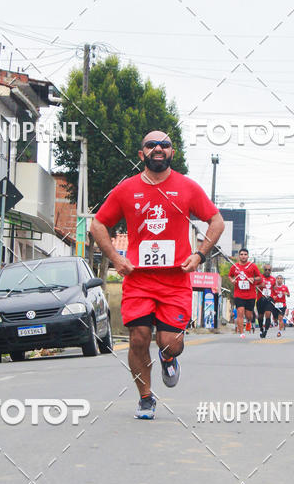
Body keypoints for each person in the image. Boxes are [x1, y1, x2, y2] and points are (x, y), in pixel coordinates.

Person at [90, 131, 225, 420]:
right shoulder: (126, 189)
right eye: (151, 145)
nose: (158, 149)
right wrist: (116, 258)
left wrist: (199, 255)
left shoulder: (187, 187)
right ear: (142, 154)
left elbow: (216, 221)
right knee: (138, 339)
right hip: (139, 280)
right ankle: (145, 397)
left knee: (171, 343)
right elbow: (98, 224)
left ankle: (167, 356)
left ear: (172, 152)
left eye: (165, 145)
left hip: (175, 281)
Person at [228, 248, 261, 339]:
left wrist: (253, 279)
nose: (243, 256)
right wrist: (232, 280)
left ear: (248, 256)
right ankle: (242, 333)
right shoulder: (235, 267)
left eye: (245, 254)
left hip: (250, 295)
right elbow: (230, 276)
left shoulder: (252, 266)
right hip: (239, 294)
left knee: (248, 315)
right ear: (239, 256)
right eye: (241, 254)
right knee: (240, 312)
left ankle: (249, 321)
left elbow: (259, 277)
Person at [256, 263, 276, 339]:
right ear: (263, 270)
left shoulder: (273, 279)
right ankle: (261, 328)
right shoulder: (259, 277)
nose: (267, 271)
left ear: (271, 271)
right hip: (261, 299)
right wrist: (260, 285)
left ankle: (266, 331)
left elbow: (274, 288)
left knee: (268, 314)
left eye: (269, 270)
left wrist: (274, 296)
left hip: (269, 299)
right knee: (260, 316)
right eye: (266, 269)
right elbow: (253, 286)